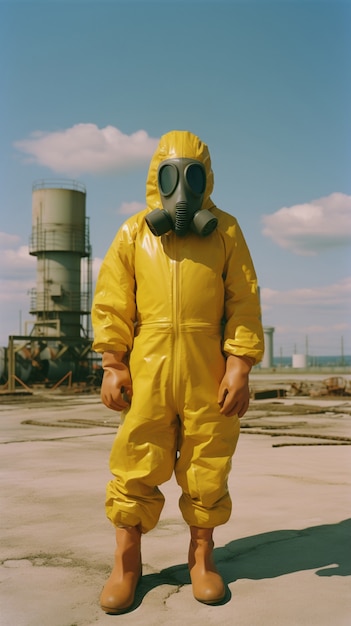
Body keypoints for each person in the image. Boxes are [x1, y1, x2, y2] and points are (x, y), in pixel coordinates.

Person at [91, 130, 264, 614]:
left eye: (193, 175)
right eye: (171, 174)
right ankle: (127, 563)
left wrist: (240, 364)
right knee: (136, 457)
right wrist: (112, 362)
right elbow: (111, 302)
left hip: (207, 366)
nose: (181, 188)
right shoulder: (133, 232)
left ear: (207, 180)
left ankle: (202, 558)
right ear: (155, 178)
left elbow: (244, 302)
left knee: (208, 460)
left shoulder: (226, 231)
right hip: (148, 367)